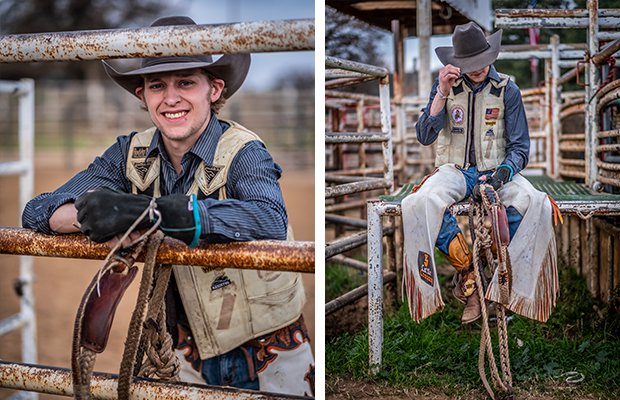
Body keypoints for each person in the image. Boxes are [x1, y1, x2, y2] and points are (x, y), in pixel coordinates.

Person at [22, 16, 314, 397]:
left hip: (266, 348)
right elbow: (38, 210)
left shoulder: (244, 152)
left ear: (214, 90)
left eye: (186, 82)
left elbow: (268, 218)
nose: (171, 97)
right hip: (182, 350)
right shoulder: (128, 153)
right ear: (143, 95)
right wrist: (92, 216)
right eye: (157, 85)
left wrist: (155, 214)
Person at [401, 22, 558, 325]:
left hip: (497, 170)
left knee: (530, 203)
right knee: (421, 202)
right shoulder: (446, 87)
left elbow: (520, 147)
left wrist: (502, 174)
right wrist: (441, 94)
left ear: (490, 56)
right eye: (469, 64)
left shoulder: (507, 89)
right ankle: (469, 275)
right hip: (454, 171)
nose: (477, 69)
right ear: (457, 63)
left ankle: (506, 288)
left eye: (481, 62)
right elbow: (424, 135)